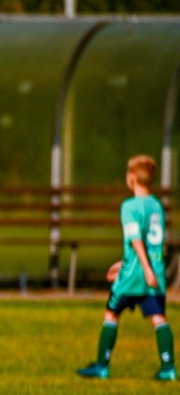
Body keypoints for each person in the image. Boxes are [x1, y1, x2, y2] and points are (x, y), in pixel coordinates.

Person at [78, 155, 173, 381]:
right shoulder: (156, 206)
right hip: (154, 270)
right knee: (158, 317)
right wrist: (143, 267)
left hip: (134, 274)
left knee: (111, 313)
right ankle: (169, 368)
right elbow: (151, 243)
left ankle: (102, 366)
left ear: (131, 178)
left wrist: (134, 268)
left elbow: (136, 240)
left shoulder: (129, 206)